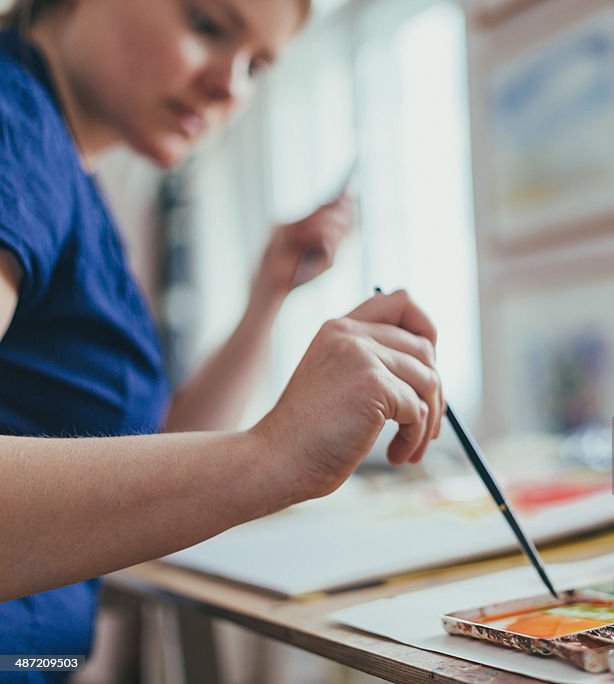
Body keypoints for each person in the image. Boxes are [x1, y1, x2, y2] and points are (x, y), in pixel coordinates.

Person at [0, 0, 445, 676]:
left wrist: (269, 297)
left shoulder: (63, 164)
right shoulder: (15, 134)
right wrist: (271, 456)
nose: (231, 87)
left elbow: (148, 456)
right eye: (207, 25)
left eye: (258, 67)